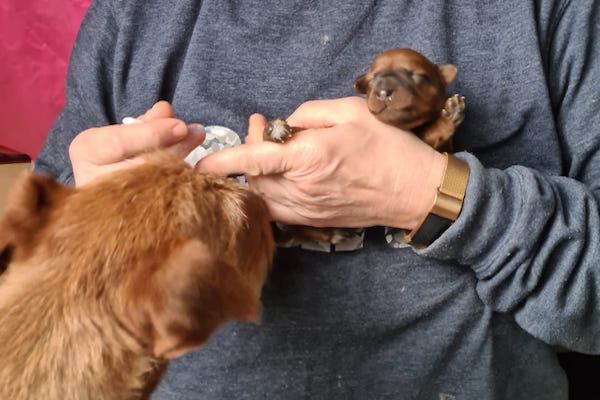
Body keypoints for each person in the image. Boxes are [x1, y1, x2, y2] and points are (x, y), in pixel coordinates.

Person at [35, 1, 600, 399]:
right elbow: (31, 275)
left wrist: (433, 195)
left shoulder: (553, 13)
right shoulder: (133, 14)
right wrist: (91, 222)